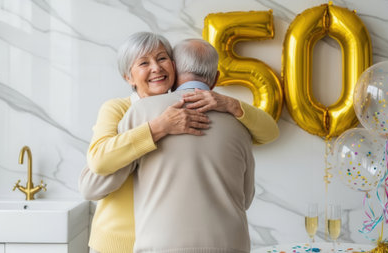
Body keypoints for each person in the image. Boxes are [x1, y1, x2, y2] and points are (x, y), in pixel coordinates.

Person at [80, 32, 279, 253]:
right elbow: (92, 181)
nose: (156, 67)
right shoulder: (119, 109)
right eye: (144, 63)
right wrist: (158, 127)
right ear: (129, 77)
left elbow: (269, 131)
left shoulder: (207, 108)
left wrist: (231, 103)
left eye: (162, 58)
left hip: (160, 240)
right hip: (119, 241)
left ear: (174, 65)